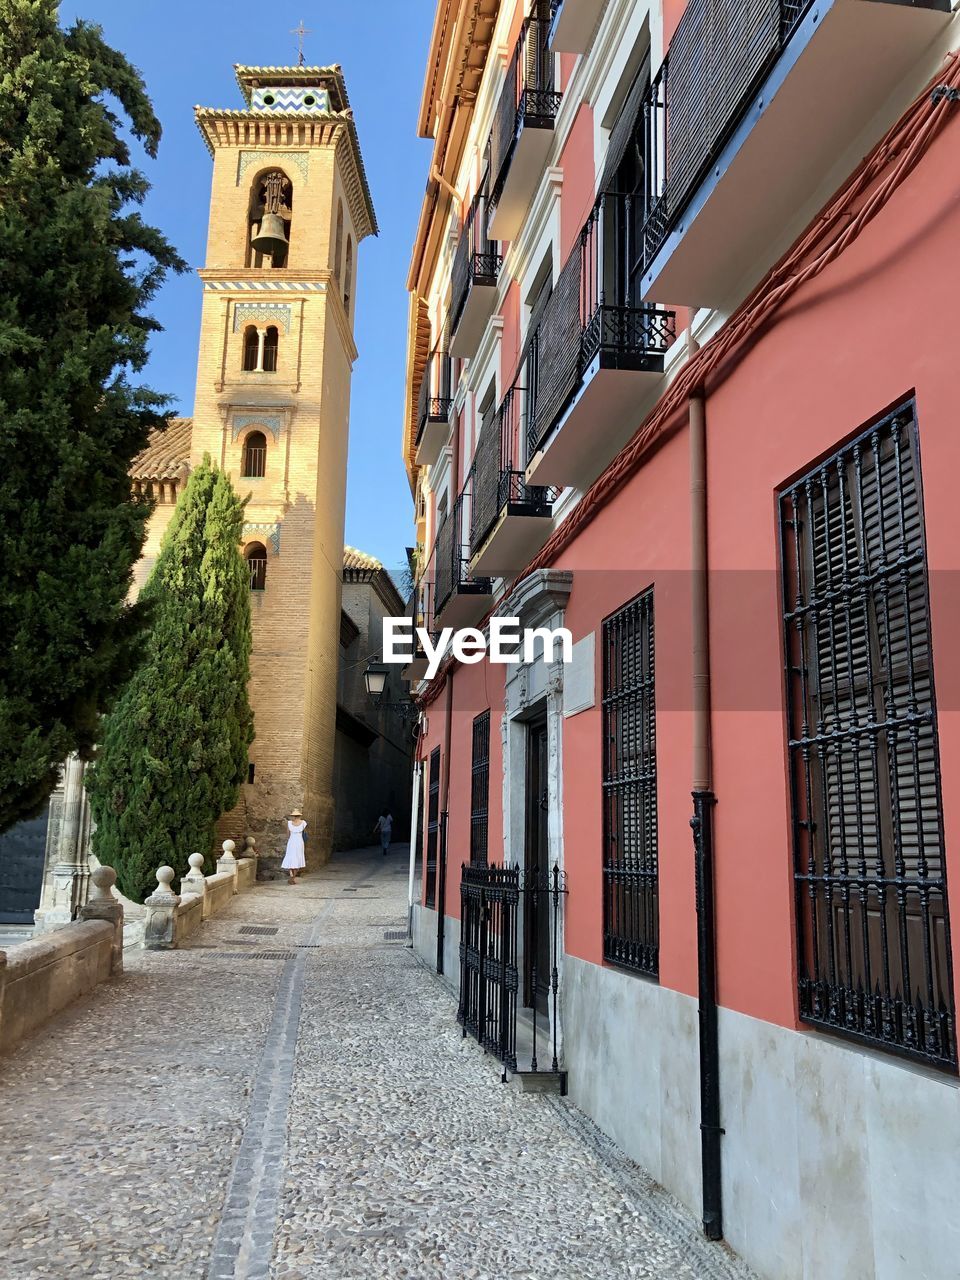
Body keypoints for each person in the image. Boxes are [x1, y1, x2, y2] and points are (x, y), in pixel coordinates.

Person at [282, 809, 306, 884]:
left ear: (293, 816)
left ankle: (291, 876)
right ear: (299, 816)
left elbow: (287, 835)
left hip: (292, 842)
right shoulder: (303, 823)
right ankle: (293, 878)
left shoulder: (289, 823)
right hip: (299, 842)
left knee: (290, 858)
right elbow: (304, 833)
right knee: (298, 859)